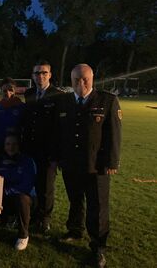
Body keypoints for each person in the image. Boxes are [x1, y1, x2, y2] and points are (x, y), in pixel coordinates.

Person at [51, 64, 121, 267]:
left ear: (92, 79)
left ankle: (98, 246)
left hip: (96, 165)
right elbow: (59, 133)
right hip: (71, 164)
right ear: (71, 80)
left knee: (97, 206)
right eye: (76, 80)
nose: (80, 83)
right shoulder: (63, 101)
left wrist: (112, 161)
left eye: (85, 79)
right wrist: (58, 158)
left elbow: (114, 134)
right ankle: (74, 230)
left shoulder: (107, 100)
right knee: (75, 200)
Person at [22, 60, 63, 234]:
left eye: (44, 73)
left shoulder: (58, 95)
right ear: (32, 75)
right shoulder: (30, 93)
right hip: (30, 149)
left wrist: (56, 155)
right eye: (37, 73)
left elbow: (60, 128)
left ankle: (44, 219)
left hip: (48, 152)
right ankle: (32, 215)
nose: (40, 76)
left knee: (46, 187)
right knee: (31, 184)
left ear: (50, 75)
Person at [0, 133, 36, 250]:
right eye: (8, 144)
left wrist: (6, 191)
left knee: (21, 198)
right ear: (4, 146)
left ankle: (23, 235)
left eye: (14, 144)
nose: (11, 147)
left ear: (19, 145)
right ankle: (8, 219)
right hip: (4, 198)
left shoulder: (27, 161)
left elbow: (27, 185)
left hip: (25, 199)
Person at [0, 78, 25, 154]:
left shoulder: (22, 107)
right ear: (1, 91)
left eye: (11, 90)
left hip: (15, 147)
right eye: (4, 91)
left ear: (15, 90)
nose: (8, 93)